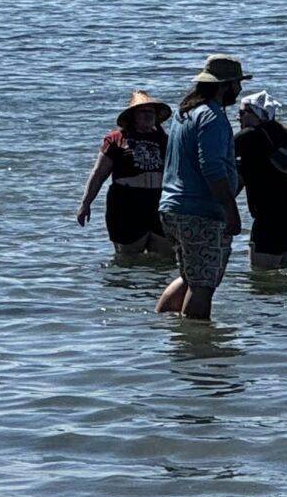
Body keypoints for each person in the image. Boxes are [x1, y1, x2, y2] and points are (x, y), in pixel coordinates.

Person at [156, 54, 247, 319]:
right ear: (224, 85)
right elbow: (212, 168)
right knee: (203, 285)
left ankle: (164, 328)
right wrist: (231, 209)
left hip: (173, 208)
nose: (239, 90)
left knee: (189, 277)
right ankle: (195, 345)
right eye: (237, 84)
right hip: (201, 212)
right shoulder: (212, 117)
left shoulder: (184, 115)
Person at [76, 91, 171, 261]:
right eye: (143, 111)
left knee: (165, 257)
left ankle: (156, 288)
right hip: (126, 201)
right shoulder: (116, 139)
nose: (148, 115)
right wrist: (86, 203)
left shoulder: (166, 140)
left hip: (159, 200)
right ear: (132, 116)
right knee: (128, 257)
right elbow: (98, 173)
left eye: (151, 111)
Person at [234, 90, 287, 269]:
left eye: (242, 113)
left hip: (268, 216)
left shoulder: (249, 136)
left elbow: (219, 157)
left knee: (262, 277)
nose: (237, 118)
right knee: (285, 270)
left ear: (257, 115)